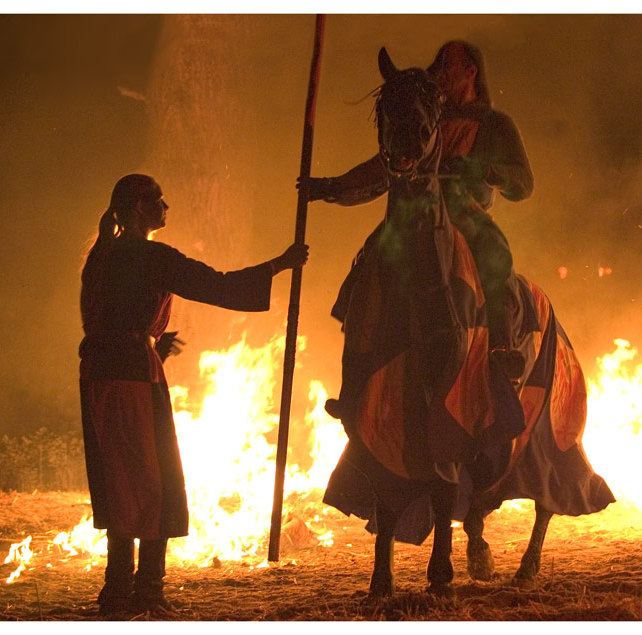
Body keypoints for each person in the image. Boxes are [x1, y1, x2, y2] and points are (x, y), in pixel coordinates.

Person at [79, 174, 308, 617]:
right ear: (141, 210)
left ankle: (119, 592)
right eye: (159, 200)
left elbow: (104, 322)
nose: (167, 207)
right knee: (152, 481)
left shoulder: (101, 257)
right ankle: (143, 594)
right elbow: (217, 286)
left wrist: (149, 342)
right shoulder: (151, 256)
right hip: (130, 380)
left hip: (101, 376)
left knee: (120, 479)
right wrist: (280, 264)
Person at [304, 41, 533, 379]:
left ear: (470, 71)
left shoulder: (495, 124)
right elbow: (385, 167)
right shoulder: (427, 119)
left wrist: (486, 170)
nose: (438, 72)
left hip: (466, 214)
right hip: (416, 211)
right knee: (370, 258)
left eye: (446, 65)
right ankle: (355, 373)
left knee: (494, 252)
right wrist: (333, 187)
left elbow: (523, 183)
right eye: (437, 64)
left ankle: (502, 348)